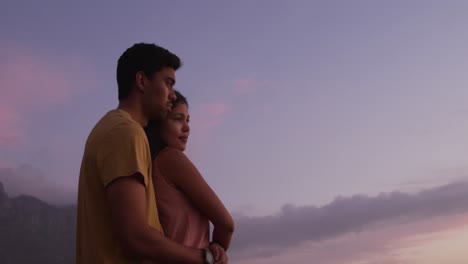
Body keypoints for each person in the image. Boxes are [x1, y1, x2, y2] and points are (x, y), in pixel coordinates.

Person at [76, 43, 226, 264]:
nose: (173, 95)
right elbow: (135, 236)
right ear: (141, 81)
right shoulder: (126, 133)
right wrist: (205, 258)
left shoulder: (107, 129)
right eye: (168, 83)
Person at [144, 91, 234, 257]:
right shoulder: (171, 158)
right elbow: (226, 224)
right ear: (158, 123)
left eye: (187, 120)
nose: (186, 127)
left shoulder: (146, 165)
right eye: (177, 119)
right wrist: (215, 252)